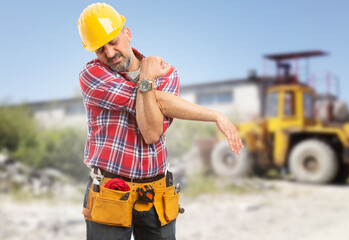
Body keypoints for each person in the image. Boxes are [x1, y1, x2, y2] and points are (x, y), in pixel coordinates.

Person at [78, 3, 243, 240]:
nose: (110, 53)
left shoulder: (168, 73)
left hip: (155, 192)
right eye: (100, 50)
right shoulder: (93, 75)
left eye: (113, 42)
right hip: (109, 190)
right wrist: (146, 78)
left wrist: (220, 115)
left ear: (127, 33)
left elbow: (152, 131)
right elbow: (155, 110)